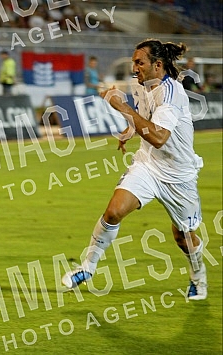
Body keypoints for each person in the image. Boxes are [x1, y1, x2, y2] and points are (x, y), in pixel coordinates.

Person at [62, 38, 207, 301]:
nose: (134, 69)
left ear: (158, 65)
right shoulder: (140, 86)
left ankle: (199, 277)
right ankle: (87, 267)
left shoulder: (172, 92)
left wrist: (122, 108)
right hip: (148, 165)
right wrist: (129, 131)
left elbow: (160, 137)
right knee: (114, 211)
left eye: (139, 63)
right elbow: (145, 120)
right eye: (133, 63)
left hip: (179, 175)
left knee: (183, 236)